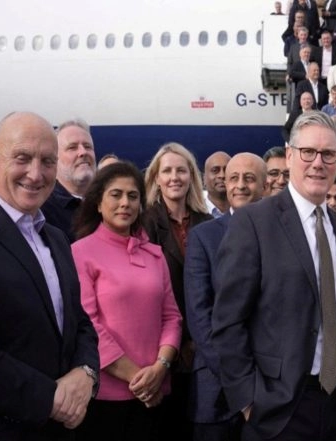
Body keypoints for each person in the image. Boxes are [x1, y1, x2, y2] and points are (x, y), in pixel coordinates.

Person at [211, 111, 336, 440]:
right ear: (289, 156)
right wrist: (248, 400)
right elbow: (228, 323)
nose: (318, 163)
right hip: (278, 410)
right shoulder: (254, 223)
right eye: (308, 152)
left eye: (328, 154)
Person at [0, 111, 99, 439]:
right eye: (22, 158)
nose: (36, 174)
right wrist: (52, 399)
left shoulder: (56, 238)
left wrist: (86, 371)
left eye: (48, 161)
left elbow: (80, 323)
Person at [71, 162, 182, 441]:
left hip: (158, 393)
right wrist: (141, 381)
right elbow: (88, 324)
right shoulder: (81, 252)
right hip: (107, 398)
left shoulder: (155, 254)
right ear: (98, 203)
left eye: (133, 196)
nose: (125, 203)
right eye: (116, 194)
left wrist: (160, 369)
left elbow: (172, 318)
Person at [185, 153, 268, 441]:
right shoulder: (203, 237)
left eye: (249, 178)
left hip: (272, 391)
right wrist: (241, 386)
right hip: (216, 390)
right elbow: (199, 316)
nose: (240, 185)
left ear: (265, 186)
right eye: (234, 178)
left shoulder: (283, 235)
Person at [143, 142, 212, 441]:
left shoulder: (208, 224)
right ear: (156, 178)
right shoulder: (142, 223)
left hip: (202, 348)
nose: (174, 177)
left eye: (181, 170)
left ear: (191, 177)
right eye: (167, 170)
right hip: (160, 348)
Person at [41, 119, 97, 242]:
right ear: (54, 159)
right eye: (72, 148)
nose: (83, 152)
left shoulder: (108, 203)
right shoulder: (42, 210)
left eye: (88, 147)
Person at [203, 151, 231, 218]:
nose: (222, 175)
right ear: (204, 179)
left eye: (226, 170)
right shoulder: (194, 213)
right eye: (215, 170)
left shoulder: (243, 212)